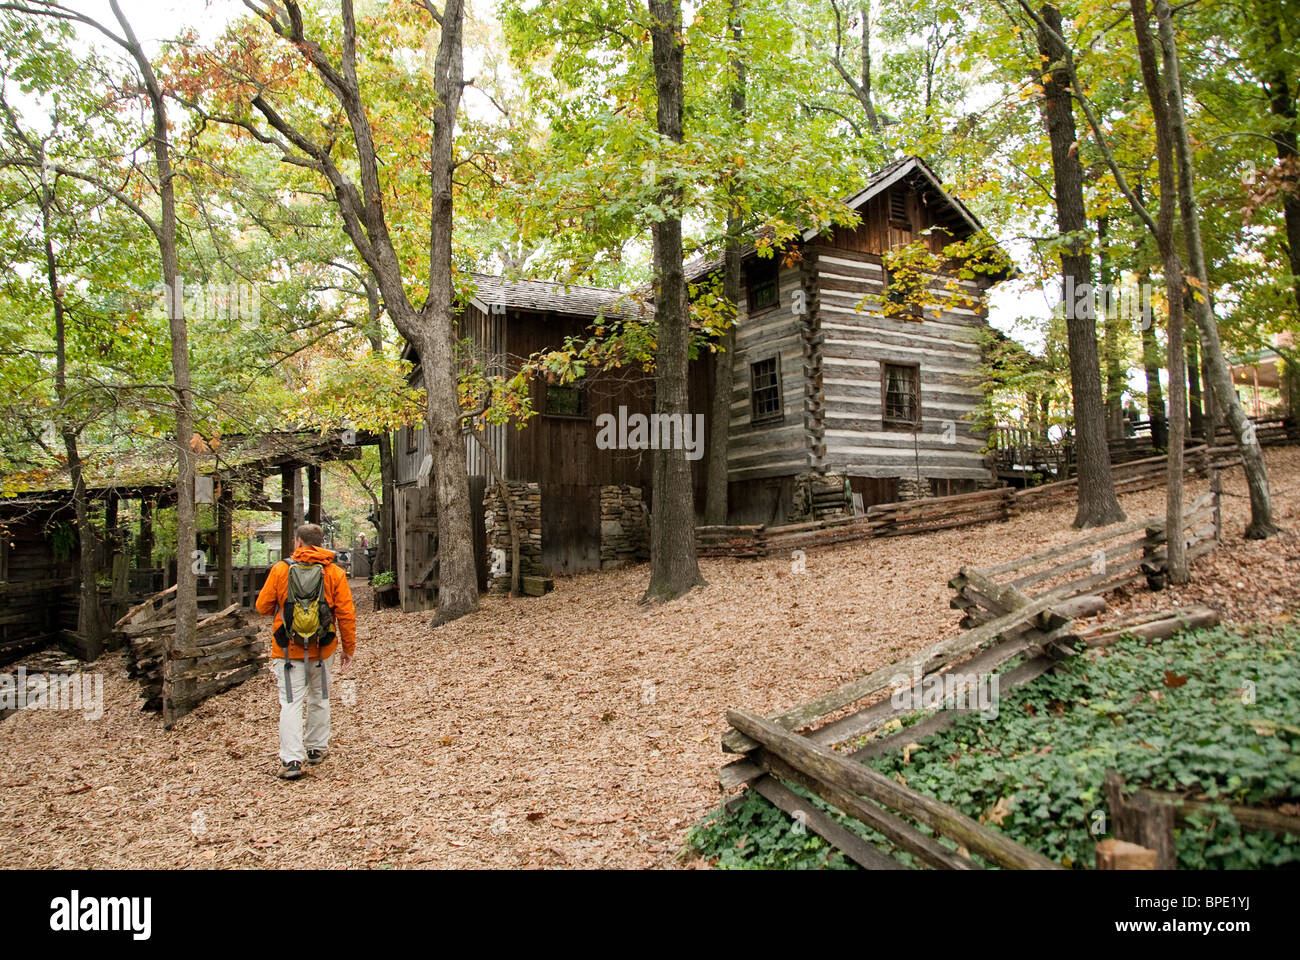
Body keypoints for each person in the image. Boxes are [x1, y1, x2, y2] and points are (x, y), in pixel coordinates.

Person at [256, 523, 356, 780]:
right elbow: (345, 613)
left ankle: (291, 760)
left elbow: (262, 606)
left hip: (287, 648)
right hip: (323, 648)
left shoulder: (281, 570)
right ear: (321, 542)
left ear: (299, 542)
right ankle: (316, 748)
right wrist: (348, 648)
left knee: (290, 703)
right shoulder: (333, 572)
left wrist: (284, 610)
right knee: (320, 698)